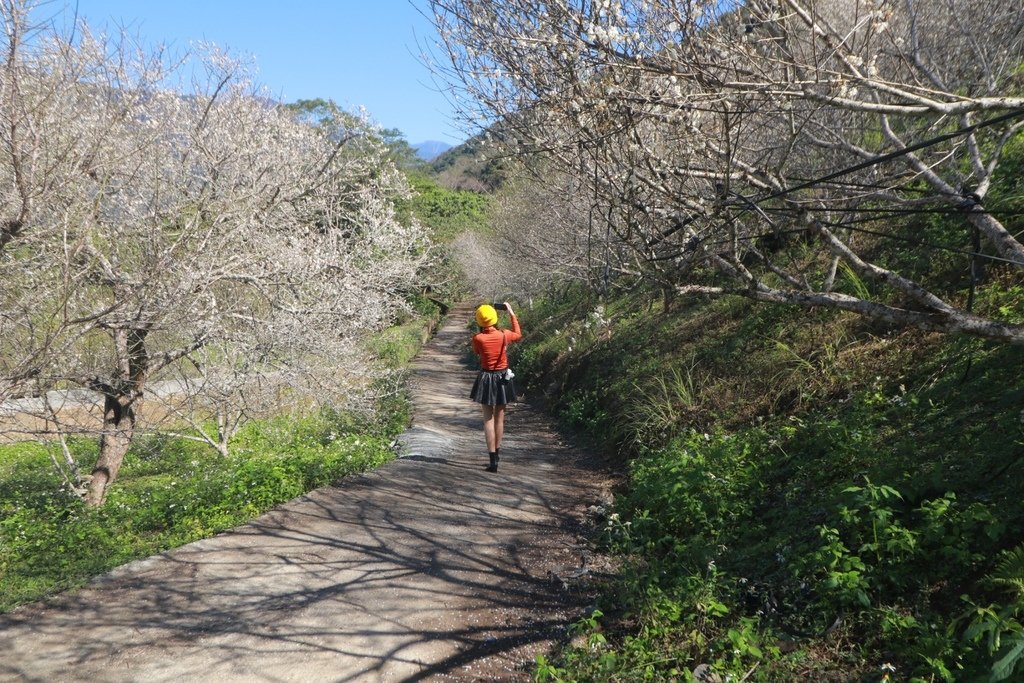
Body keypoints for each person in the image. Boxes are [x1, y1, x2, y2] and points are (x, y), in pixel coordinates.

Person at [469, 302, 522, 472]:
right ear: (495, 318)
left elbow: (477, 353)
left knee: (488, 419)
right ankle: (497, 454)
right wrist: (511, 312)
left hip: (486, 378)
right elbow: (518, 334)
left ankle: (492, 461)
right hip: (502, 378)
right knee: (500, 417)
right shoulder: (504, 335)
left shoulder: (478, 339)